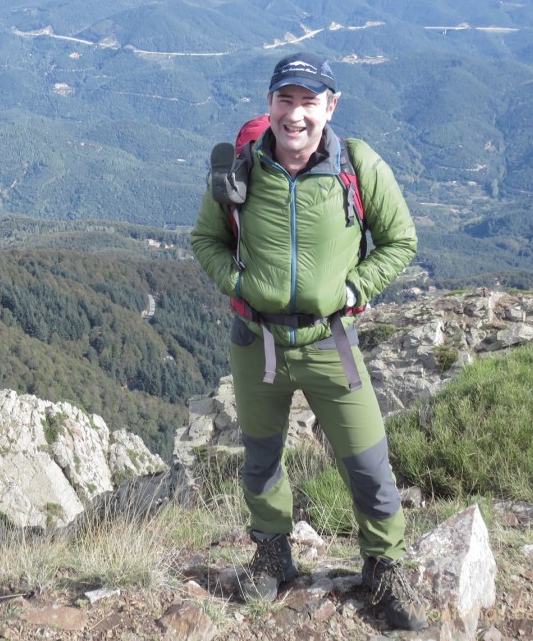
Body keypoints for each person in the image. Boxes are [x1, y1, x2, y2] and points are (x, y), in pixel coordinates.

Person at [190, 51, 427, 631]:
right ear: (269, 104)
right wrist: (240, 283)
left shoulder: (358, 166)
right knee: (262, 459)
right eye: (285, 100)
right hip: (258, 342)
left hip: (330, 343)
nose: (296, 115)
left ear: (330, 106)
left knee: (368, 463)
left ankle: (384, 568)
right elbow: (206, 240)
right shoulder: (243, 169)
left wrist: (353, 288)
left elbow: (400, 240)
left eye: (308, 102)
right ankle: (273, 557)